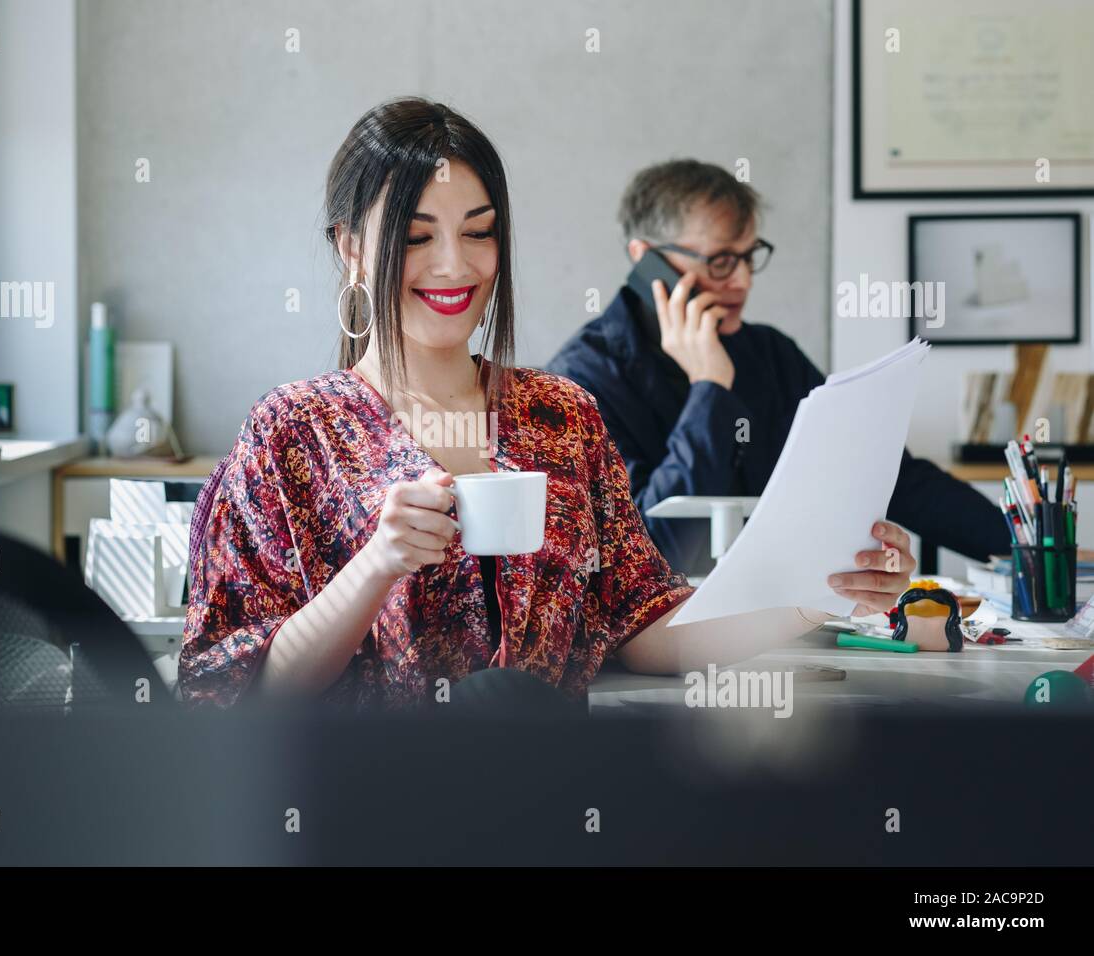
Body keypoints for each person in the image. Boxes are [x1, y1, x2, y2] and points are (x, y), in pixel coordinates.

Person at [179, 100, 915, 712]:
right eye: (415, 237)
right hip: (368, 809)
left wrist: (819, 597)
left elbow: (647, 626)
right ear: (350, 248)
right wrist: (377, 565)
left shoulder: (561, 414)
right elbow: (241, 691)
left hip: (552, 803)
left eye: (479, 232)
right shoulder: (292, 432)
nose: (454, 266)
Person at [547, 160, 1011, 577]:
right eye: (722, 260)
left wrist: (1026, 550)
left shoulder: (769, 354)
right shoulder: (578, 382)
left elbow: (893, 477)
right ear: (645, 259)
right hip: (653, 651)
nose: (743, 281)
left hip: (785, 625)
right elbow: (654, 553)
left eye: (749, 256)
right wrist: (710, 387)